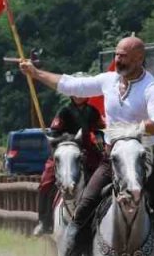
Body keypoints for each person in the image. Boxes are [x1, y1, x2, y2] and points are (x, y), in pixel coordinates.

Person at [18, 36, 154, 256]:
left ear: (139, 58)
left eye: (123, 55)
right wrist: (36, 73)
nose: (118, 59)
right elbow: (69, 84)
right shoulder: (108, 80)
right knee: (81, 212)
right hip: (111, 159)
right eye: (117, 54)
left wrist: (131, 130)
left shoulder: (152, 87)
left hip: (145, 160)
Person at [33, 95, 104, 236]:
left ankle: (103, 217)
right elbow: (55, 132)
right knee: (46, 182)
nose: (78, 96)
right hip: (64, 149)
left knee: (104, 176)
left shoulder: (93, 111)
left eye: (81, 92)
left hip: (87, 150)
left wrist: (99, 139)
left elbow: (99, 130)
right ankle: (44, 221)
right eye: (75, 93)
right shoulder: (64, 111)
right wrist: (63, 141)